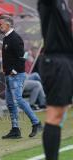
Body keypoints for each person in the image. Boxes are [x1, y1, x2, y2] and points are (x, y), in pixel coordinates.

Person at [38, 0, 73, 159]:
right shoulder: (51, 3)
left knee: (60, 114)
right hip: (57, 62)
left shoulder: (64, 4)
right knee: (55, 115)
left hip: (66, 60)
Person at [0, 15, 42, 139]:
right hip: (9, 75)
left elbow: (22, 57)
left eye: (1, 24)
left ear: (8, 25)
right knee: (10, 103)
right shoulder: (6, 38)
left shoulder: (15, 38)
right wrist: (5, 68)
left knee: (18, 100)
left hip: (16, 75)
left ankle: (36, 123)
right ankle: (15, 129)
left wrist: (13, 70)